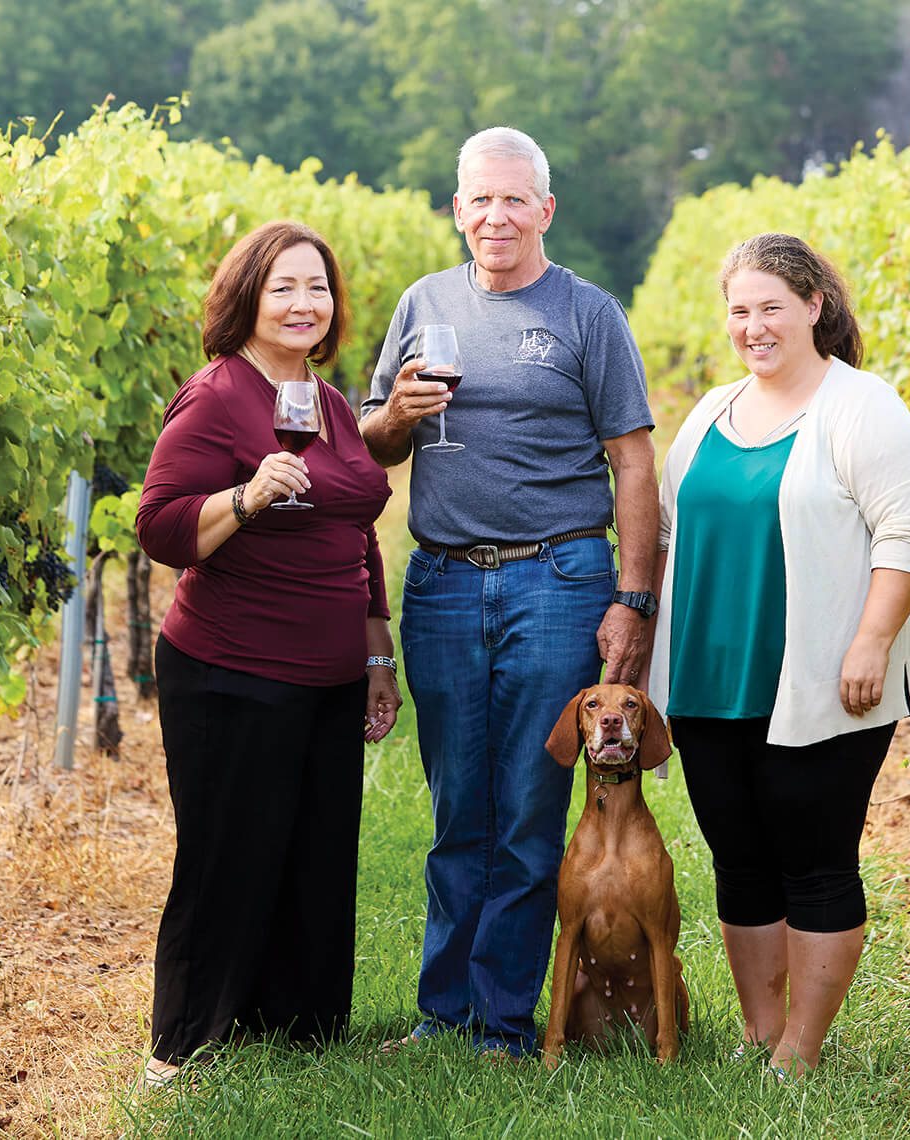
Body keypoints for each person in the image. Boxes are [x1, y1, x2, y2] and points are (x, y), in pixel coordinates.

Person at [360, 127, 660, 1059]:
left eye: (513, 199)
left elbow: (633, 461)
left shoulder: (587, 312)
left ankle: (501, 1021)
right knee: (457, 808)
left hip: (558, 576)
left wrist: (634, 598)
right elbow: (371, 443)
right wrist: (396, 414)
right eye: (480, 200)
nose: (496, 216)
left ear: (544, 210)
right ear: (458, 209)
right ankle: (441, 1011)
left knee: (530, 808)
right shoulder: (422, 303)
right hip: (445, 580)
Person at [648, 232, 910, 1079]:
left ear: (814, 306)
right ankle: (760, 1033)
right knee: (739, 860)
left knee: (815, 861)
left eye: (771, 307)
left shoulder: (863, 407)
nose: (754, 326)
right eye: (740, 310)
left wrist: (871, 642)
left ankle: (801, 1053)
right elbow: (667, 534)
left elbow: (908, 536)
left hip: (821, 683)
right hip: (707, 680)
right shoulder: (709, 412)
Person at [136, 220, 401, 1085]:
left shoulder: (328, 401)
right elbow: (160, 527)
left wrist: (376, 654)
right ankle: (184, 1044)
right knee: (227, 859)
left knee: (315, 857)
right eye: (282, 286)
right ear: (246, 297)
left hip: (330, 677)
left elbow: (355, 529)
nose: (302, 303)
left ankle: (298, 1033)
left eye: (316, 287)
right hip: (232, 671)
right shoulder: (215, 397)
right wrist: (246, 498)